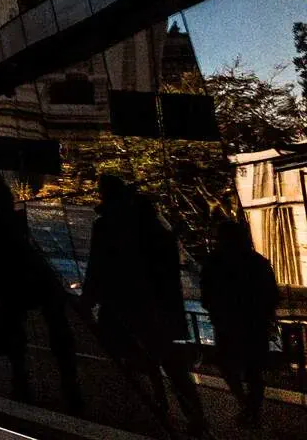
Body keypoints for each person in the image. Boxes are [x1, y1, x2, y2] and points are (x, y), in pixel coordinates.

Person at [82, 175, 205, 434]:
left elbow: (98, 267)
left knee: (137, 358)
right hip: (160, 304)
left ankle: (155, 406)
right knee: (170, 362)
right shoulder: (151, 224)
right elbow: (170, 263)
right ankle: (193, 415)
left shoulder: (106, 227)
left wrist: (88, 300)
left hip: (124, 305)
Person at [0, 155, 81, 412]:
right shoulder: (23, 221)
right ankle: (68, 383)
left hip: (10, 281)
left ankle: (22, 380)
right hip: (33, 279)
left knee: (15, 330)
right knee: (55, 326)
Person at [202, 217, 277, 426]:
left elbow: (206, 294)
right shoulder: (257, 262)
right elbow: (270, 294)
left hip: (227, 324)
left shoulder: (213, 263)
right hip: (254, 324)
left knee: (229, 367)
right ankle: (252, 409)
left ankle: (247, 406)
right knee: (253, 371)